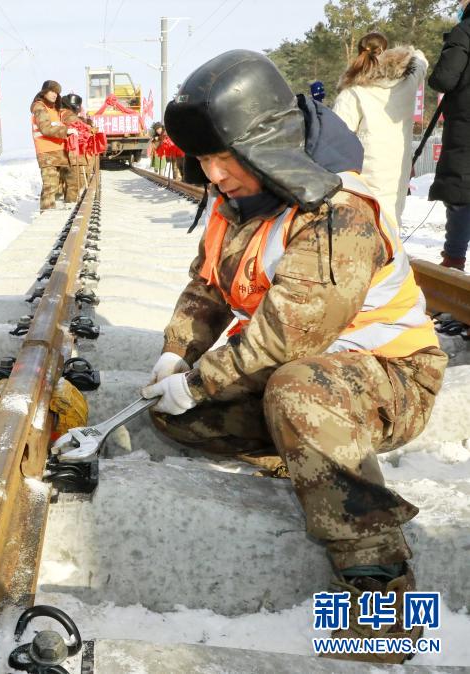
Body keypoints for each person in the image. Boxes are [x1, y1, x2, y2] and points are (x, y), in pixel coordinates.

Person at [152, 50, 446, 664]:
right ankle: (304, 448)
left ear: (267, 144)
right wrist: (176, 356)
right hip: (305, 373)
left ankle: (384, 596)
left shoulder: (339, 211)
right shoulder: (242, 204)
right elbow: (206, 287)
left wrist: (206, 378)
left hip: (392, 378)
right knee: (174, 416)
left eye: (223, 158)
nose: (213, 175)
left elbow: (291, 336)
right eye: (203, 160)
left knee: (296, 389)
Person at [333, 32, 427, 226]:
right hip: (398, 164)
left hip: (365, 167)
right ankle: (393, 253)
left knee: (365, 220)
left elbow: (336, 134)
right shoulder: (407, 84)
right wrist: (407, 53)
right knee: (392, 217)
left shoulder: (353, 91)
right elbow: (421, 61)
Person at [428, 0, 470, 270]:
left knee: (461, 194)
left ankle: (453, 266)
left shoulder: (465, 31)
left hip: (466, 129)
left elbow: (444, 79)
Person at [31, 80, 77, 211]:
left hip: (59, 151)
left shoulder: (54, 110)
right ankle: (46, 216)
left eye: (57, 92)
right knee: (50, 187)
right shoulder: (39, 107)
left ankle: (68, 209)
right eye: (51, 91)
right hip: (47, 153)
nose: (55, 94)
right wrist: (66, 131)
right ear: (44, 92)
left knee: (68, 181)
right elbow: (45, 128)